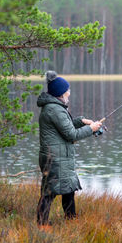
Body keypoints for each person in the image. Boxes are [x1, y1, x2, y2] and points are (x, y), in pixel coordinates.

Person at [37, 71, 102, 225]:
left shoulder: (55, 107)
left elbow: (65, 127)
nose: (69, 93)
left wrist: (82, 121)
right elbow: (71, 134)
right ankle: (42, 225)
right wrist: (91, 128)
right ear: (61, 93)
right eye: (68, 90)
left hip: (58, 157)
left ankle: (70, 223)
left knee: (67, 190)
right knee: (49, 194)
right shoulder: (54, 109)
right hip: (56, 158)